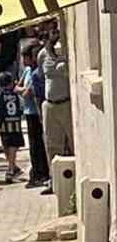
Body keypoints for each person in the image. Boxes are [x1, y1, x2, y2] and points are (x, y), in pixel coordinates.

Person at [17, 41, 50, 189]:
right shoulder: (27, 71)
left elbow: (26, 92)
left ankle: (41, 173)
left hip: (36, 112)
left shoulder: (37, 72)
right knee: (33, 146)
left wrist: (22, 90)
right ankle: (36, 172)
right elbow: (18, 87)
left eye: (26, 58)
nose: (23, 61)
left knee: (39, 145)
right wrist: (22, 89)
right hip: (29, 112)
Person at [41, 32, 73, 168]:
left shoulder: (67, 58)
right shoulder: (44, 56)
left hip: (65, 103)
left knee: (73, 141)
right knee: (52, 144)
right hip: (49, 104)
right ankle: (54, 178)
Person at [0, 73, 24, 184]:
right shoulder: (17, 96)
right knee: (13, 148)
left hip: (3, 126)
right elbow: (22, 107)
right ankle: (13, 168)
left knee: (7, 147)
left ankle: (11, 169)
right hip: (15, 125)